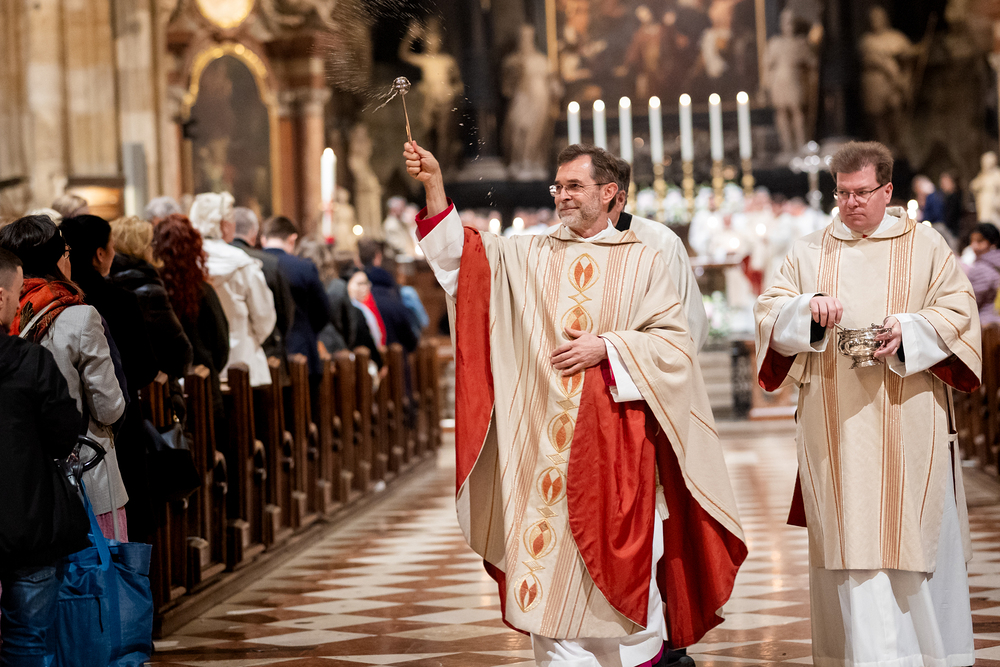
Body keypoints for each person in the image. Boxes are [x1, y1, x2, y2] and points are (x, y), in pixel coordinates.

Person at [404, 140, 746, 666]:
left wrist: (608, 347)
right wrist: (434, 185)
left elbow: (676, 347)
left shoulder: (644, 260)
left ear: (609, 193)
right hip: (541, 452)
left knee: (628, 578)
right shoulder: (529, 254)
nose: (561, 195)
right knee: (544, 583)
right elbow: (461, 260)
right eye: (557, 186)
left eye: (574, 186)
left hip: (616, 448)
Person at [754, 141, 981, 667]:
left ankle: (926, 657)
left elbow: (959, 309)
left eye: (861, 192)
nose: (851, 203)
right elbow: (769, 314)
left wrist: (910, 330)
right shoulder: (810, 250)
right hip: (834, 423)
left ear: (887, 190)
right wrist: (807, 310)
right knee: (848, 538)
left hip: (910, 416)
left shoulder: (925, 245)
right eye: (842, 193)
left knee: (912, 534)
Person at [0, 215, 127, 540]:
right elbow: (108, 407)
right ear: (55, 260)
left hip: (19, 481)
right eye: (66, 252)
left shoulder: (7, 317)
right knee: (98, 567)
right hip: (82, 477)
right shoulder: (79, 317)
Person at [0, 247, 90, 666]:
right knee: (27, 639)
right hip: (28, 518)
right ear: (1, 297)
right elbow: (63, 434)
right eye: (19, 293)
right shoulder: (30, 361)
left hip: (26, 521)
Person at [59, 214, 159, 542]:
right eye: (112, 247)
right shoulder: (120, 301)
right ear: (100, 253)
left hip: (65, 429)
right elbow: (145, 367)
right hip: (116, 425)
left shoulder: (54, 304)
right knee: (125, 519)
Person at [608, 158, 708, 350]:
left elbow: (690, 323)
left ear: (618, 198)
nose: (565, 197)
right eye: (560, 188)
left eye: (577, 187)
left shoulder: (660, 241)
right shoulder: (555, 242)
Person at [152, 213, 230, 450]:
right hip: (205, 390)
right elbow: (221, 345)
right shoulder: (204, 292)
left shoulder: (152, 293)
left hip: (164, 394)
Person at [189, 192, 276, 387]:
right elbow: (264, 316)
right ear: (223, 225)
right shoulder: (242, 263)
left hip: (199, 367)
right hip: (244, 361)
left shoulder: (187, 262)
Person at [108, 215, 193, 380]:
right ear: (140, 247)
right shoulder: (147, 288)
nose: (153, 247)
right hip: (153, 386)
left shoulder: (100, 282)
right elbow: (180, 352)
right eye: (150, 243)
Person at [260, 215, 333, 377]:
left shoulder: (253, 263)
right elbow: (323, 312)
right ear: (292, 239)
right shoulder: (303, 267)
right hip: (300, 349)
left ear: (263, 239)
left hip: (262, 354)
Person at [230, 207, 295, 366]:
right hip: (266, 350)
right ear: (254, 233)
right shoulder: (270, 263)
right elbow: (284, 312)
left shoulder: (214, 261)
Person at [358, 239, 419, 354]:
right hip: (397, 357)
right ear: (378, 257)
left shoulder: (356, 298)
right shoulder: (394, 294)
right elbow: (411, 338)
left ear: (358, 260)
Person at [964, 222, 1000, 327]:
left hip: (986, 325)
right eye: (972, 241)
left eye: (979, 241)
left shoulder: (981, 268)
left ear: (993, 243)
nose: (974, 246)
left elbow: (971, 302)